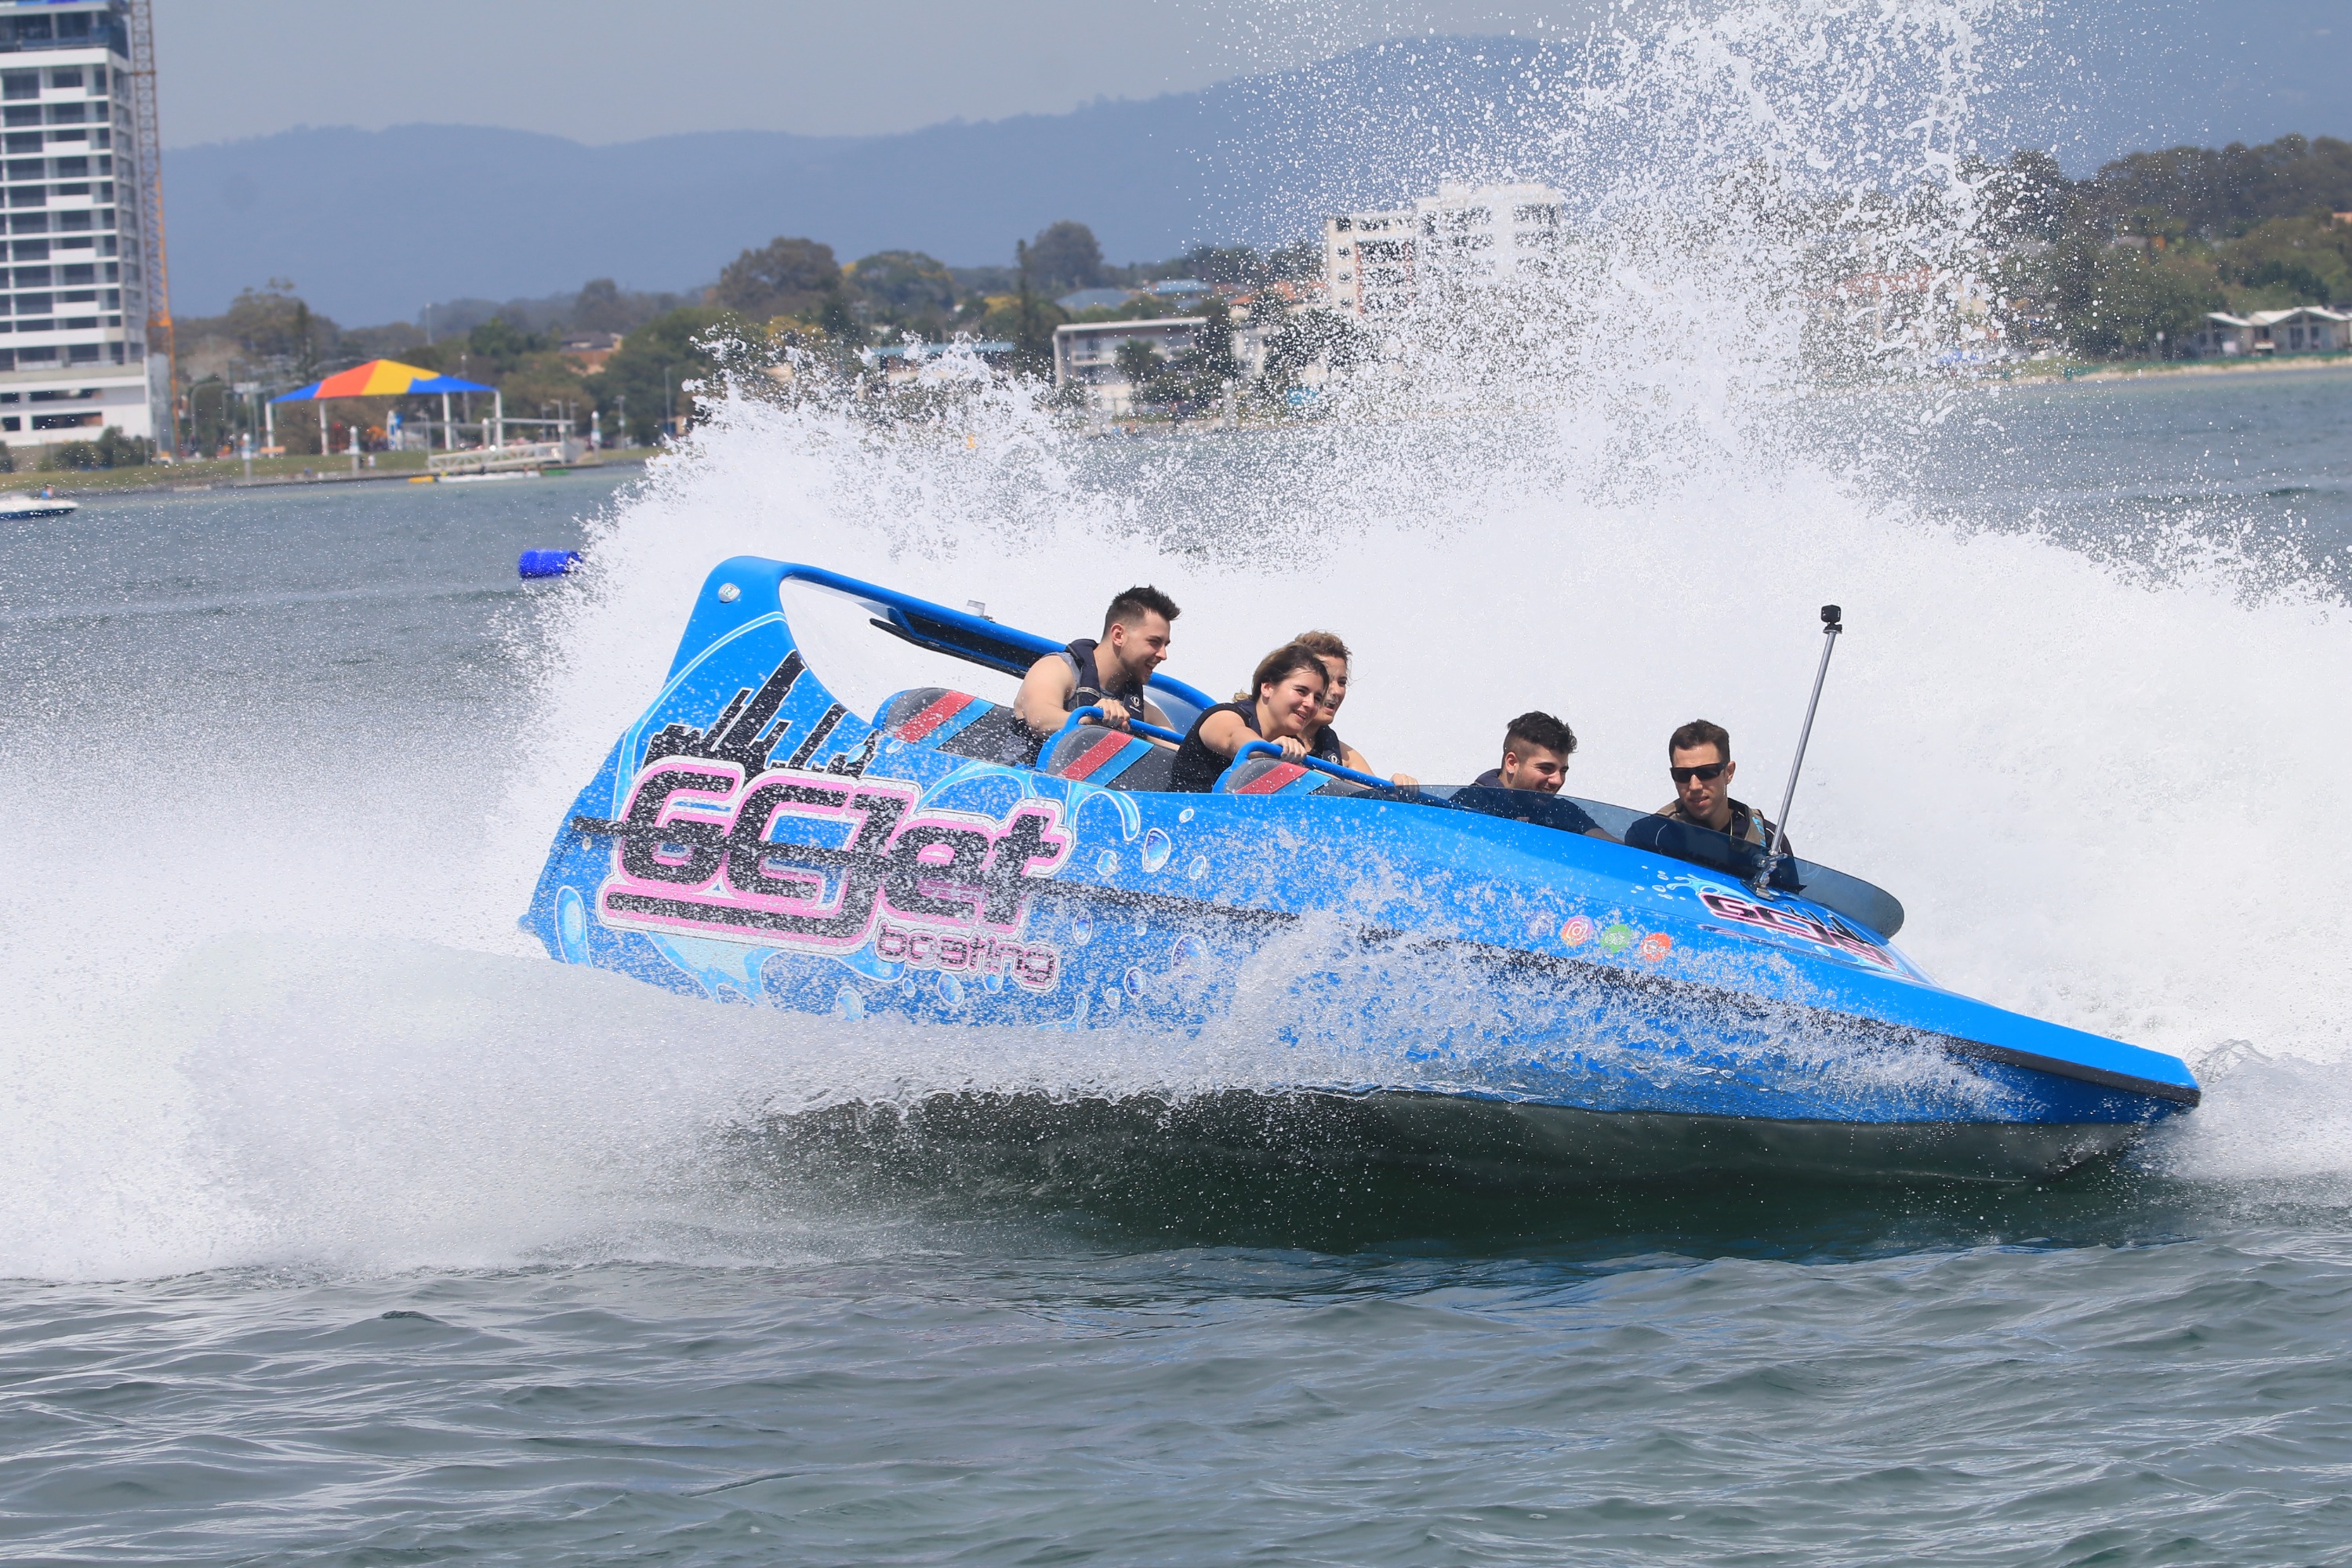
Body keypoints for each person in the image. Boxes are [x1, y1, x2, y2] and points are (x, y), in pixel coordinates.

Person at [1014, 586, 1181, 740]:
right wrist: (1092, 718)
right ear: (1118, 635)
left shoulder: (1144, 711)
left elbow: (1181, 752)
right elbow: (1039, 720)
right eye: (1154, 642)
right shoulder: (1056, 669)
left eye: (1165, 645)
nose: (1163, 655)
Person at [1169, 643, 1330, 793]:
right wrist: (1270, 750)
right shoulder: (1224, 715)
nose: (1310, 704)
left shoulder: (1294, 747)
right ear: (1267, 688)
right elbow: (1235, 739)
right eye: (1301, 691)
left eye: (1317, 698)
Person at [1291, 630, 1419, 787]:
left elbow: (1377, 800)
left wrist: (1396, 789)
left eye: (1342, 682)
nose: (1337, 691)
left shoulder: (1346, 757)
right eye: (1327, 680)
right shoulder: (1265, 736)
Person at [1656, 718, 1790, 856]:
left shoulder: (1770, 842)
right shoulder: (1651, 835)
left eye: (1706, 772)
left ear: (1729, 772)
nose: (1694, 786)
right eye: (1682, 774)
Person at [1471, 711, 1577, 793]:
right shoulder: (1467, 807)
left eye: (1563, 771)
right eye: (1546, 768)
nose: (1557, 781)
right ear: (1512, 763)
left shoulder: (1564, 814)